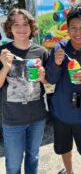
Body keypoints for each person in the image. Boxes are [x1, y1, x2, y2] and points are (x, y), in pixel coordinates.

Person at [45, 7, 81, 174]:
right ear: (67, 28)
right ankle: (69, 172)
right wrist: (55, 64)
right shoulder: (59, 49)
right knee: (64, 148)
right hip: (61, 112)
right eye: (73, 28)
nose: (78, 32)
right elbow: (51, 79)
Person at [0, 9, 49, 174]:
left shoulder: (41, 52)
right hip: (12, 119)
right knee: (13, 165)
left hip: (37, 117)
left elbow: (48, 84)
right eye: (16, 25)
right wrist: (6, 67)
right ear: (9, 28)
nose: (21, 29)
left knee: (33, 158)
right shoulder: (3, 52)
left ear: (31, 26)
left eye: (25, 24)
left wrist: (43, 77)